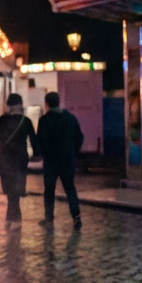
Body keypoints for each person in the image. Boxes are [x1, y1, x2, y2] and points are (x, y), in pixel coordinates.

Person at [0, 93, 39, 229]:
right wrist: (37, 154)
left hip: (5, 159)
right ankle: (13, 218)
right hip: (20, 159)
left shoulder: (1, 120)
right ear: (20, 105)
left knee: (10, 189)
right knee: (15, 188)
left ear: (8, 105)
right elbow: (34, 140)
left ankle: (14, 219)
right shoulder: (26, 121)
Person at [36, 90, 84, 230]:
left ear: (47, 104)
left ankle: (49, 219)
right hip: (67, 160)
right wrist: (73, 152)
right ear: (59, 102)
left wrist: (42, 154)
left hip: (50, 162)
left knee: (49, 191)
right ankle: (76, 217)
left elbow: (41, 141)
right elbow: (79, 137)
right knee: (70, 189)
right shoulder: (70, 118)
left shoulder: (44, 120)